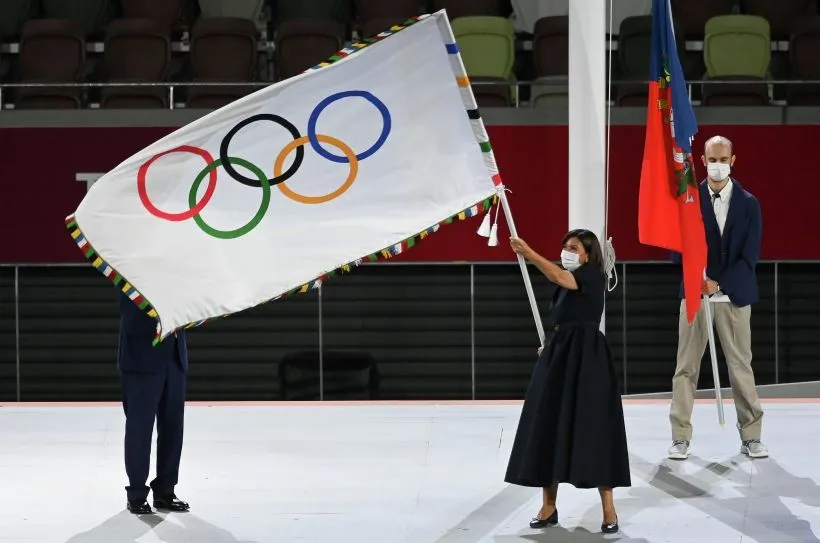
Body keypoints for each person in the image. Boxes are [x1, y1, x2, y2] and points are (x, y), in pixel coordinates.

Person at [504, 229, 630, 534]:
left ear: (588, 254)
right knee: (549, 424)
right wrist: (553, 342)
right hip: (560, 354)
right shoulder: (568, 281)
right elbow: (565, 316)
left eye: (573, 248)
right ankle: (548, 506)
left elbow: (561, 278)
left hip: (589, 358)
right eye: (564, 246)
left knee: (596, 428)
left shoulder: (593, 276)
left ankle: (609, 510)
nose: (566, 251)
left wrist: (529, 253)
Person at [668, 135, 767, 460]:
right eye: (712, 159)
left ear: (733, 161)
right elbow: (676, 254)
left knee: (741, 367)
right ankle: (680, 437)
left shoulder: (749, 203)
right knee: (685, 368)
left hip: (735, 298)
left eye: (724, 159)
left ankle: (751, 436)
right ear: (702, 160)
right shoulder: (687, 199)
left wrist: (718, 283)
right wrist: (699, 280)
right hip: (695, 297)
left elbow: (749, 257)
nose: (718, 165)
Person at [118, 291, 190, 514]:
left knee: (173, 426)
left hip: (174, 354)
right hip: (142, 352)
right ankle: (137, 494)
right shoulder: (128, 262)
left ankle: (165, 491)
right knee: (140, 428)